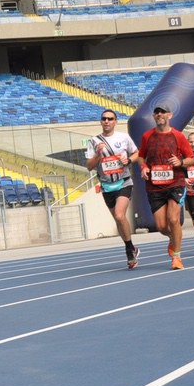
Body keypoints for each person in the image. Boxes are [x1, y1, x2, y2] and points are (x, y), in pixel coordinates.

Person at [138, 105, 194, 269]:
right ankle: (173, 238)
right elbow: (141, 157)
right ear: (154, 116)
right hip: (154, 186)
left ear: (169, 115)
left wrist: (180, 162)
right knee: (162, 226)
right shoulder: (147, 136)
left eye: (162, 112)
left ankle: (177, 257)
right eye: (156, 112)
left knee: (173, 219)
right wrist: (144, 167)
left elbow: (191, 159)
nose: (159, 114)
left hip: (175, 182)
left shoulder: (178, 136)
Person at [85, 108, 142, 268]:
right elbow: (89, 166)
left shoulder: (123, 137)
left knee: (119, 215)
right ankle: (131, 247)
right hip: (106, 185)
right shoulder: (94, 141)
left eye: (110, 119)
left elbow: (137, 153)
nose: (107, 121)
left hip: (123, 181)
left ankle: (128, 250)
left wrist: (128, 160)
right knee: (118, 219)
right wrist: (98, 154)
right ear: (101, 121)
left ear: (115, 122)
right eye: (104, 118)